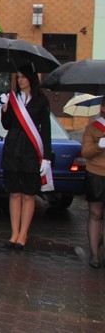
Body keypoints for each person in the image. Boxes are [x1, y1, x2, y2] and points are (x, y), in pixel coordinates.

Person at [0, 66, 53, 250]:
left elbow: (46, 130)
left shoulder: (41, 100)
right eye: (18, 77)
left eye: (24, 77)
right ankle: (14, 233)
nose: (20, 80)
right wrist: (5, 109)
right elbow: (6, 125)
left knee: (28, 194)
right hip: (13, 149)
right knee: (14, 193)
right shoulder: (12, 98)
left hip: (31, 151)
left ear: (31, 78)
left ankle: (23, 234)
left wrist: (46, 157)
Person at [80, 100, 105, 268]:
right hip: (96, 174)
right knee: (95, 213)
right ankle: (95, 255)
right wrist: (100, 144)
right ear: (102, 108)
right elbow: (86, 153)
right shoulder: (93, 128)